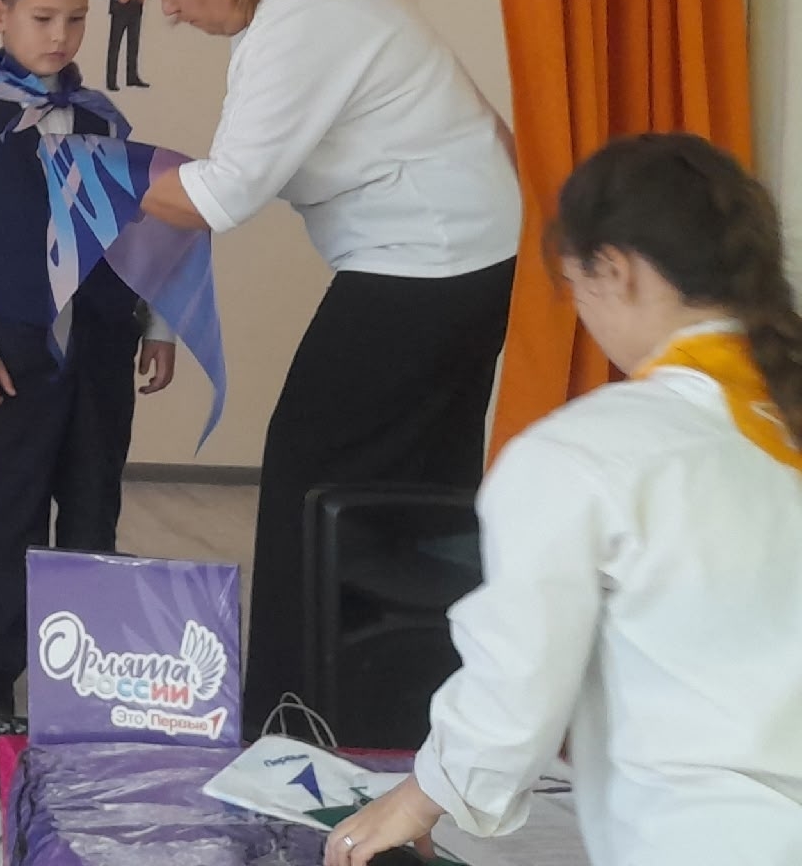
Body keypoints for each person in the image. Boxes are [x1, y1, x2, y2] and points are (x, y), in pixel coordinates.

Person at [325, 135, 802, 866]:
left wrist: (423, 796)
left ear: (614, 270)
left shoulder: (586, 453)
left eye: (573, 284)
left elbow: (516, 685)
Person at [131, 0, 521, 736]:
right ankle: (409, 701)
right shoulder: (306, 4)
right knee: (416, 482)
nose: (168, 11)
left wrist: (93, 171)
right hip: (465, 258)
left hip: (429, 263)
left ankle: (297, 711)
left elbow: (221, 196)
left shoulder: (300, 23)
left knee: (310, 468)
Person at [0, 0, 178, 715]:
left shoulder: (102, 119)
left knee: (93, 501)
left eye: (77, 19)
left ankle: (83, 672)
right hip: (12, 347)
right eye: (43, 18)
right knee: (6, 508)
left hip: (101, 340)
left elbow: (140, 230)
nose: (61, 36)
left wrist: (159, 325)